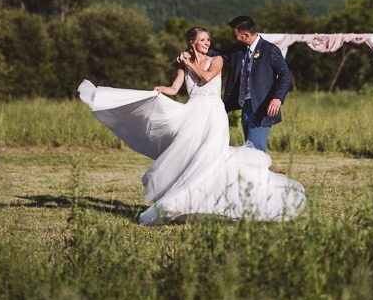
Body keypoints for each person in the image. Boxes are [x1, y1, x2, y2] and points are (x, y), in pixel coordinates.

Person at [78, 26, 305, 225]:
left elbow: (206, 78)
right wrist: (159, 90)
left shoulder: (216, 60)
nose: (208, 43)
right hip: (192, 112)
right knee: (192, 157)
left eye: (209, 40)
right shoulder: (183, 63)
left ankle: (218, 200)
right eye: (203, 40)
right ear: (192, 42)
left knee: (211, 156)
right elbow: (175, 88)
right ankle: (187, 202)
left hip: (213, 113)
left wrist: (187, 62)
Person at [222, 15, 292, 153]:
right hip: (246, 107)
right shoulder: (239, 49)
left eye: (235, 35)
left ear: (246, 35)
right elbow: (220, 54)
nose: (234, 38)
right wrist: (194, 51)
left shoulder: (269, 50)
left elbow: (285, 75)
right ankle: (253, 175)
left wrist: (278, 98)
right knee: (249, 149)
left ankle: (260, 174)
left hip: (262, 108)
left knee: (255, 151)